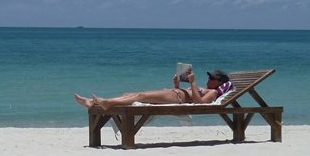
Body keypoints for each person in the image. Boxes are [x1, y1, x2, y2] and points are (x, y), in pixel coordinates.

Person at [74, 68, 233, 111]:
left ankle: (107, 103)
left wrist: (193, 83)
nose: (209, 79)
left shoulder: (213, 92)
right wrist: (177, 85)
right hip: (175, 94)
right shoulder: (207, 88)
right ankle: (93, 104)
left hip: (176, 99)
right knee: (129, 95)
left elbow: (199, 105)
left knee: (140, 95)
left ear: (219, 82)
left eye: (212, 78)